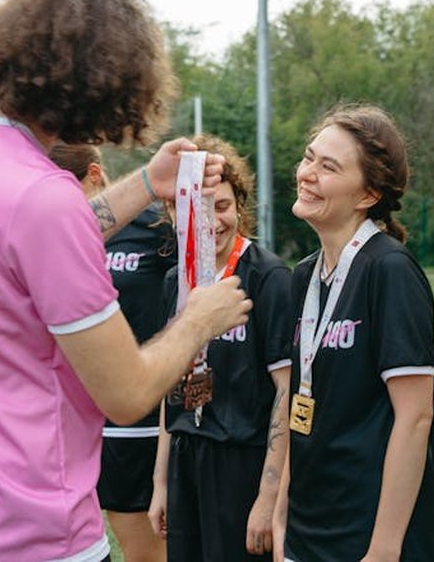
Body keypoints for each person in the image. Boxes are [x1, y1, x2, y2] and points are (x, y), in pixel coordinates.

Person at [0, 0, 251, 562]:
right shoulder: (42, 198)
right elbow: (126, 394)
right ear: (104, 82)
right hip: (22, 538)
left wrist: (145, 184)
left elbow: (22, 246)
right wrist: (198, 319)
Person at [272, 105, 434, 561]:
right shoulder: (304, 275)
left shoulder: (389, 269)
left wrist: (384, 549)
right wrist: (281, 511)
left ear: (367, 194)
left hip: (367, 537)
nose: (307, 174)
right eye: (309, 158)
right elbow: (302, 401)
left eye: (328, 167)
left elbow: (415, 418)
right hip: (309, 528)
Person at [146, 135, 293, 561]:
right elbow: (168, 384)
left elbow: (287, 391)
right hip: (185, 459)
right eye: (197, 207)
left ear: (240, 206)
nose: (211, 221)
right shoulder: (177, 282)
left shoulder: (268, 278)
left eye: (223, 205)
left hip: (241, 467)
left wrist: (267, 500)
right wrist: (161, 483)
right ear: (175, 211)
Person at [50, 142, 175, 562]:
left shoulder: (155, 226)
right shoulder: (50, 233)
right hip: (75, 418)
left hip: (136, 419)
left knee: (144, 545)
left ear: (95, 174)